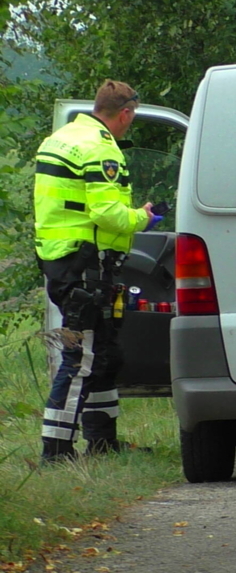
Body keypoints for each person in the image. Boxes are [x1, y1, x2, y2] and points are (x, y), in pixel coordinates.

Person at [34, 80, 157, 462]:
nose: (128, 126)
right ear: (125, 113)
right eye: (130, 119)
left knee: (104, 353)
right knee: (83, 357)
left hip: (63, 259)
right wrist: (144, 218)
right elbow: (107, 213)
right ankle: (56, 451)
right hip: (85, 262)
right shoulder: (101, 148)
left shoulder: (61, 138)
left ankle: (102, 442)